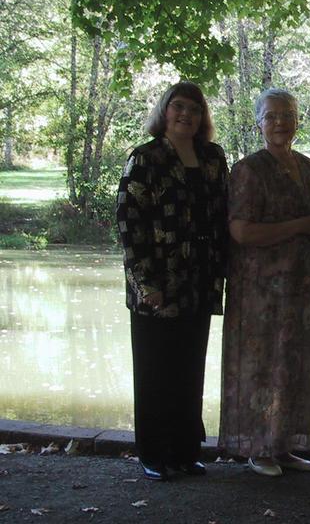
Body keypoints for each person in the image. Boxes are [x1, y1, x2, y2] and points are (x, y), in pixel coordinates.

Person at [116, 81, 228, 481]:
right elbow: (129, 225)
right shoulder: (145, 158)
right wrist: (146, 285)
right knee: (154, 372)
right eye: (178, 107)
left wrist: (226, 270)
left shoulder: (213, 157)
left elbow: (223, 216)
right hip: (158, 283)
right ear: (164, 111)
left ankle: (184, 451)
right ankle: (153, 454)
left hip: (200, 281)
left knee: (189, 369)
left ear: (202, 117)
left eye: (194, 109)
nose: (186, 115)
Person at [218, 88, 310, 477]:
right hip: (259, 290)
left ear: (298, 120)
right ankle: (258, 449)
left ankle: (284, 448)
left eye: (288, 115)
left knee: (294, 366)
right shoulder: (248, 170)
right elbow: (242, 232)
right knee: (261, 367)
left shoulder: (309, 168)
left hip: (302, 285)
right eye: (271, 116)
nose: (280, 122)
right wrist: (299, 225)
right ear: (259, 124)